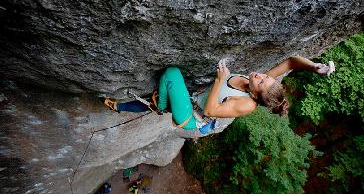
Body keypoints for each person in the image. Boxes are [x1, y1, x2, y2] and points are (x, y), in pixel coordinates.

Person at [104, 56, 335, 136]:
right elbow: (291, 62)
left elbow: (210, 111)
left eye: (262, 80)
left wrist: (218, 80)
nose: (260, 75)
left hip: (192, 116)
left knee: (172, 74)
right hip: (193, 100)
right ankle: (124, 107)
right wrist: (314, 67)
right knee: (152, 102)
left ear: (256, 94)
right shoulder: (256, 85)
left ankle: (161, 105)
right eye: (266, 77)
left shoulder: (247, 104)